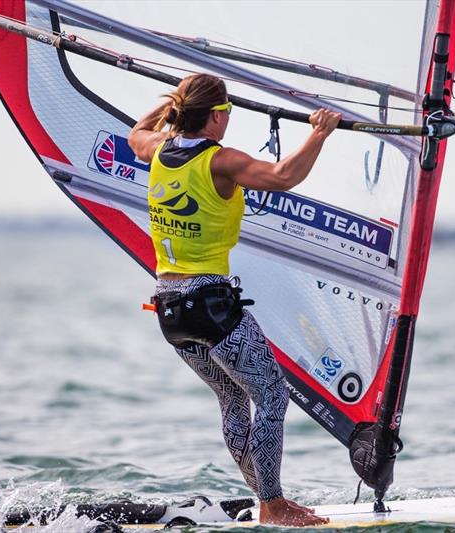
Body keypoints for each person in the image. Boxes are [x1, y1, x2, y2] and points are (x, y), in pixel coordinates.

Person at [128, 73, 340, 526]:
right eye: (227, 113)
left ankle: (267, 498)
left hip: (169, 310)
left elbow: (135, 135)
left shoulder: (158, 150)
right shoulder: (220, 162)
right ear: (217, 116)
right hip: (209, 305)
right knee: (271, 396)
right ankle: (274, 504)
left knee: (231, 398)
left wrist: (170, 105)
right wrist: (319, 133)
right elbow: (284, 176)